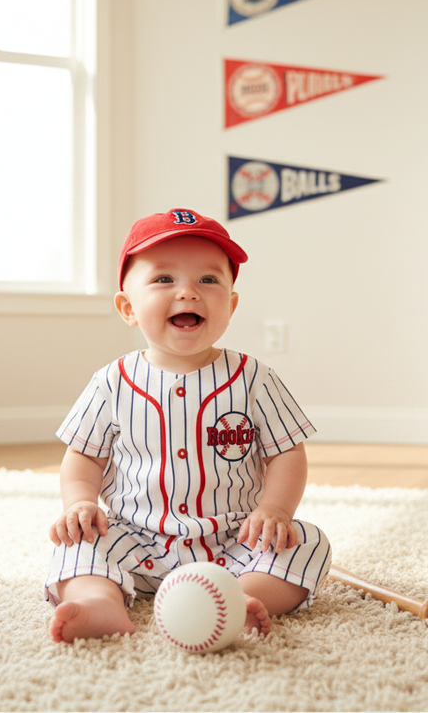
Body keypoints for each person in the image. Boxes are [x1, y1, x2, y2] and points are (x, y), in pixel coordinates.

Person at [45, 208, 332, 643]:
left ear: (231, 305)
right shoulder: (111, 382)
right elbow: (83, 455)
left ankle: (239, 597)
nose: (188, 293)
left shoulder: (254, 378)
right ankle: (98, 602)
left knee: (308, 541)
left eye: (209, 280)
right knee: (75, 544)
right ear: (127, 308)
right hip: (133, 541)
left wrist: (274, 511)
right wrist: (80, 504)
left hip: (234, 543)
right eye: (163, 280)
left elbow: (286, 452)